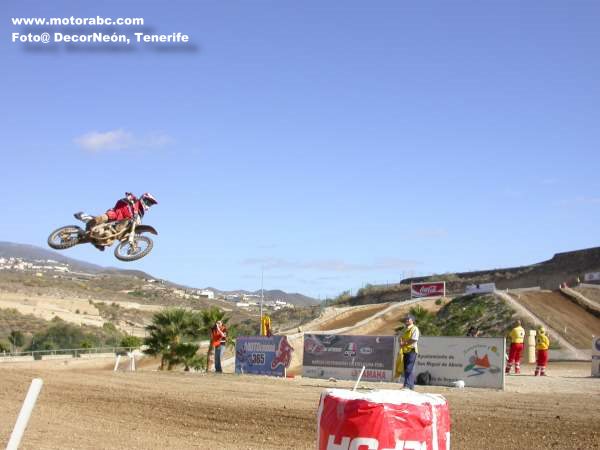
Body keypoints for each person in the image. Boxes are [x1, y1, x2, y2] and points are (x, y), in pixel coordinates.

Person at [77, 192, 158, 251]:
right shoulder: (135, 201)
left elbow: (135, 229)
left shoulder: (139, 215)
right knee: (103, 217)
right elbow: (129, 195)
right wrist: (130, 197)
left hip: (119, 228)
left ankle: (84, 239)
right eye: (148, 202)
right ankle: (88, 224)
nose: (148, 205)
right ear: (143, 198)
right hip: (114, 216)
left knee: (107, 243)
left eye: (150, 204)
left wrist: (135, 242)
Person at [399, 314, 420, 390]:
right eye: (406, 319)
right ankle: (410, 386)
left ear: (412, 320)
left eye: (408, 319)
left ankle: (407, 385)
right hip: (404, 351)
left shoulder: (415, 329)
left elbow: (414, 339)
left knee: (409, 368)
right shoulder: (404, 329)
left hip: (412, 350)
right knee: (406, 369)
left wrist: (404, 343)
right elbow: (400, 337)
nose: (406, 320)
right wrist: (401, 342)